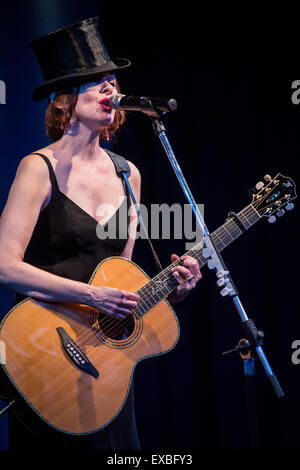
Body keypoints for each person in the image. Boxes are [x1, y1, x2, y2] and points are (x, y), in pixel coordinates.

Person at [0, 18, 201, 449]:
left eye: (113, 82)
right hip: (45, 351)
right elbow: (4, 267)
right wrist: (90, 296)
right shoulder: (39, 168)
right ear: (64, 100)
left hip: (103, 362)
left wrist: (173, 289)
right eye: (99, 83)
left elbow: (121, 276)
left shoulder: (128, 174)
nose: (112, 90)